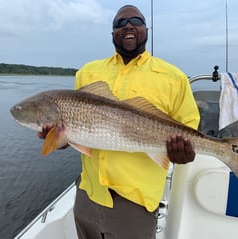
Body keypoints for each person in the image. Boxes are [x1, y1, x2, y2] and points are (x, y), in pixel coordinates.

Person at [38, 5, 200, 239]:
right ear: (112, 33)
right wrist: (58, 138)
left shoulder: (174, 77)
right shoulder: (87, 72)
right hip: (88, 194)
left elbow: (190, 129)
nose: (128, 26)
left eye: (136, 21)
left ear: (146, 29)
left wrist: (185, 152)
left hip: (135, 202)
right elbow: (77, 130)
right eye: (120, 23)